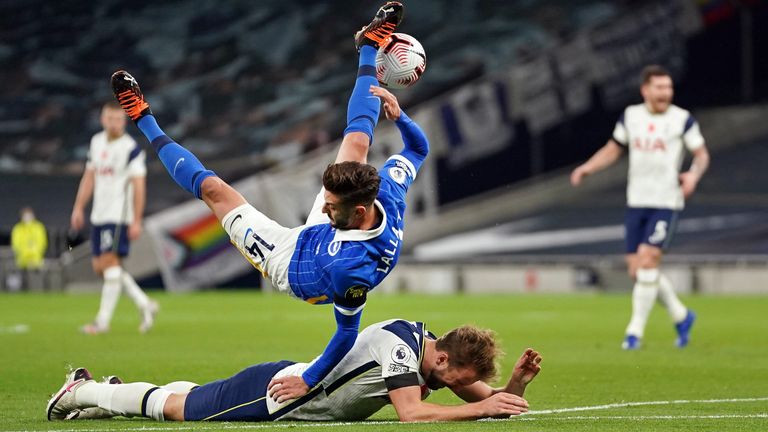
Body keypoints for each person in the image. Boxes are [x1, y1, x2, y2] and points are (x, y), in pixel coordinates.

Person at [108, 1, 427, 403]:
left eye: (332, 204)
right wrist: (400, 118)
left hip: (291, 264)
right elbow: (418, 149)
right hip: (326, 237)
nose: (324, 206)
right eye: (326, 199)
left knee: (215, 193)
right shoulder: (388, 195)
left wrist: (308, 380)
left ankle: (142, 118)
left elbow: (346, 334)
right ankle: (370, 44)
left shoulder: (350, 271)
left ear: (358, 212)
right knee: (358, 141)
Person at [47, 319, 542, 422]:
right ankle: (84, 391)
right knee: (181, 410)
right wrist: (480, 413)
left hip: (294, 384)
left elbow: (488, 399)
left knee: (199, 394)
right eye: (458, 378)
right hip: (281, 396)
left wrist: (513, 387)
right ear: (442, 361)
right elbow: (412, 414)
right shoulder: (399, 349)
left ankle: (113, 392)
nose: (462, 387)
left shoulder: (430, 350)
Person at [570, 65, 710, 350]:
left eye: (668, 88)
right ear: (645, 89)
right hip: (636, 202)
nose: (665, 93)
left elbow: (701, 154)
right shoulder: (631, 116)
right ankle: (681, 316)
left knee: (648, 262)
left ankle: (634, 333)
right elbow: (613, 149)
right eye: (659, 88)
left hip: (665, 202)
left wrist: (693, 174)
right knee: (638, 271)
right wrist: (587, 167)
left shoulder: (682, 119)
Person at [70, 101, 159, 335]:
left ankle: (102, 322)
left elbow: (139, 186)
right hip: (98, 215)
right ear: (102, 119)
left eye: (118, 119)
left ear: (124, 121)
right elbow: (88, 178)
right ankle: (144, 303)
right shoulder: (96, 142)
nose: (113, 123)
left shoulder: (131, 150)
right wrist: (78, 208)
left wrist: (136, 219)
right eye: (109, 118)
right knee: (102, 267)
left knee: (109, 267)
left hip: (118, 216)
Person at [11, 207, 48, 271]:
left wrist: (34, 255)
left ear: (33, 216)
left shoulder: (39, 227)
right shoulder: (17, 229)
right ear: (22, 217)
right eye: (25, 216)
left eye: (29, 216)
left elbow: (42, 243)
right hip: (21, 262)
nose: (27, 218)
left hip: (37, 261)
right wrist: (26, 255)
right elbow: (15, 245)